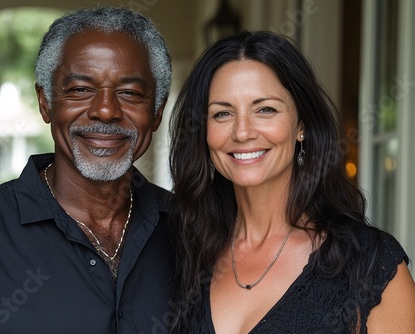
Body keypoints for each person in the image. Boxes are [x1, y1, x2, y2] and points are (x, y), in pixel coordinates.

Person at [0, 6, 174, 333]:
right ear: (46, 102)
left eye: (130, 93)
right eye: (81, 89)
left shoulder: (196, 234)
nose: (106, 110)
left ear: (157, 111)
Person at [168, 30, 415, 333]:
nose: (242, 132)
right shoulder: (180, 252)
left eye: (265, 109)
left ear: (302, 125)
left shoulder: (370, 265)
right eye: (222, 114)